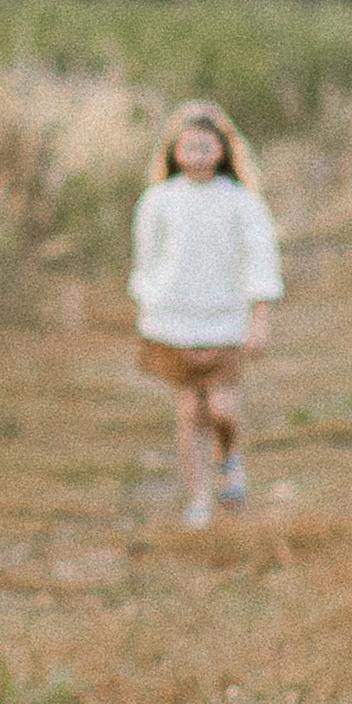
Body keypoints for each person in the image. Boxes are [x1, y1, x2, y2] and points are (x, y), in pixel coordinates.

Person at [130, 98, 283, 530]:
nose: (197, 156)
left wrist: (260, 317)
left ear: (223, 150)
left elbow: (260, 259)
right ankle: (199, 496)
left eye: (206, 146)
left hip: (224, 319)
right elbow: (146, 260)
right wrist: (148, 305)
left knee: (221, 410)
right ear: (174, 151)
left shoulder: (241, 202)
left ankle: (228, 455)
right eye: (189, 147)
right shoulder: (158, 200)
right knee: (187, 411)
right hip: (173, 320)